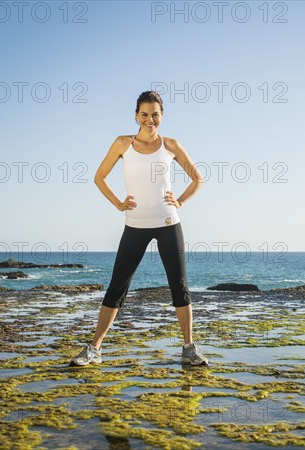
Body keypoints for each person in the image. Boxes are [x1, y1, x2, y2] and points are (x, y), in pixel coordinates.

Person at [71, 91, 208, 366]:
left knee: (179, 286)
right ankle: (94, 349)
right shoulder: (122, 144)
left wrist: (179, 200)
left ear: (162, 116)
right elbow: (99, 177)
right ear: (136, 115)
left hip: (169, 223)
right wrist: (118, 203)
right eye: (144, 114)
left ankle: (189, 349)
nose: (150, 120)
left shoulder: (170, 145)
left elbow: (198, 178)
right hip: (135, 225)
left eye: (155, 114)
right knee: (117, 287)